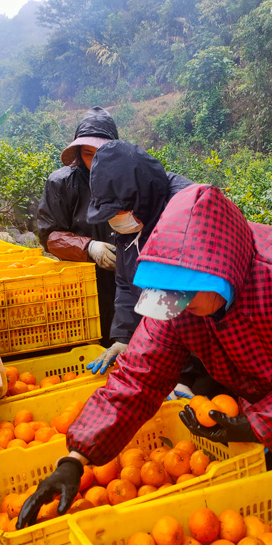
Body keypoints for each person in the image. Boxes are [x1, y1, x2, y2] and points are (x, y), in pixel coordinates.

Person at [17, 183, 272, 529]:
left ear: (223, 275)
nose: (177, 307)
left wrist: (257, 425)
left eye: (186, 296)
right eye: (171, 297)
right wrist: (75, 459)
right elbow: (138, 377)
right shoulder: (179, 298)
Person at [84, 140, 193, 373]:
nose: (114, 219)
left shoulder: (184, 214)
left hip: (201, 344)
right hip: (164, 342)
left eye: (118, 212)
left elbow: (189, 305)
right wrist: (124, 337)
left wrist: (185, 374)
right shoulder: (132, 222)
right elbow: (125, 283)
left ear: (140, 197)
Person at [37, 107, 119, 345]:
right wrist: (89, 247)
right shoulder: (61, 182)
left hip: (124, 277)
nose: (96, 162)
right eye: (89, 154)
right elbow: (48, 235)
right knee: (90, 340)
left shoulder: (126, 179)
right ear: (78, 153)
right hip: (81, 283)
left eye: (103, 153)